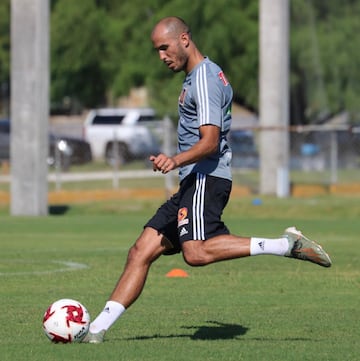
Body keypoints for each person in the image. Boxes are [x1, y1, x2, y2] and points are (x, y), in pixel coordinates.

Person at [83, 16, 331, 343]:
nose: (161, 56)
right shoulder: (197, 77)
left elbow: (210, 141)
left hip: (206, 177)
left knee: (196, 253)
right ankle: (96, 330)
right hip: (193, 181)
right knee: (140, 251)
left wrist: (175, 160)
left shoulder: (203, 78)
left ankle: (285, 244)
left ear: (184, 39)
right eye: (157, 50)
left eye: (164, 47)